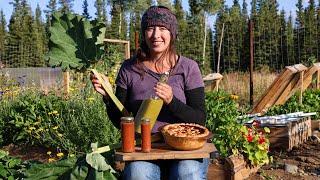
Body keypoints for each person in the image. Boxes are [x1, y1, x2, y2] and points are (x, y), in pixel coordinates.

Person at [91, 5, 209, 180]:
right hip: (143, 148)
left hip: (184, 147)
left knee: (187, 173)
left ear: (172, 33)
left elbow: (200, 119)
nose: (156, 35)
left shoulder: (188, 67)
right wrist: (109, 98)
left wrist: (171, 101)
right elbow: (122, 120)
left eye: (162, 29)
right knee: (138, 174)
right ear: (144, 33)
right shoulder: (129, 69)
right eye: (150, 28)